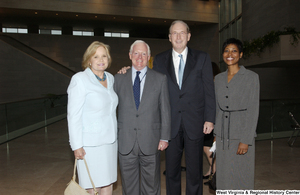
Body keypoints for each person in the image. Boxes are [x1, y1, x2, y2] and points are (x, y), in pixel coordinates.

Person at [153, 20, 216, 195]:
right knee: (171, 171)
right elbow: (153, 90)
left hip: (195, 123)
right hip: (170, 124)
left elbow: (208, 91)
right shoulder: (159, 60)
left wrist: (210, 118)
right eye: (174, 33)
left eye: (182, 33)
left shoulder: (202, 58)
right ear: (169, 37)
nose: (178, 36)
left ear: (188, 36)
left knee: (195, 171)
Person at [114, 40, 171, 195]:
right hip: (126, 141)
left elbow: (165, 109)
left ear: (149, 56)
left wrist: (164, 137)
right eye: (136, 53)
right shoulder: (118, 79)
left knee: (151, 186)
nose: (140, 57)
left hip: (151, 141)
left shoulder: (160, 79)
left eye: (144, 53)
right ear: (130, 55)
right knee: (129, 187)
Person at [67, 41, 118, 195]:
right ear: (89, 60)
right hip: (89, 146)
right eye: (96, 56)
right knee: (91, 187)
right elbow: (73, 115)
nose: (101, 60)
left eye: (104, 56)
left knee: (108, 184)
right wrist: (76, 145)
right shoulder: (80, 79)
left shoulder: (110, 78)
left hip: (110, 142)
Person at [214, 38, 259, 189]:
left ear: (240, 54)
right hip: (222, 137)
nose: (230, 54)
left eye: (234, 51)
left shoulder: (251, 77)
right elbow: (217, 107)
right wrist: (215, 133)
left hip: (241, 135)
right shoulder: (218, 79)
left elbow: (253, 109)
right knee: (224, 177)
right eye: (226, 50)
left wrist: (246, 139)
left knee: (242, 177)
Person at [203, 62, 220, 180]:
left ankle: (215, 172)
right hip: (208, 118)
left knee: (206, 146)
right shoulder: (215, 81)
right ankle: (211, 169)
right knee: (208, 146)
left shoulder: (214, 82)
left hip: (212, 119)